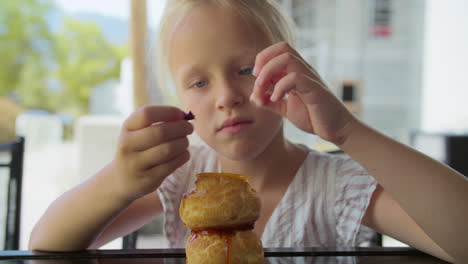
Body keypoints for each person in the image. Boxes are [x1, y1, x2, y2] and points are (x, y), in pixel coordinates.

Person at [29, 0, 467, 262]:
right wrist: (118, 182)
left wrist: (349, 132)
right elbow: (46, 244)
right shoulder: (181, 180)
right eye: (199, 82)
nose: (226, 96)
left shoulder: (334, 187)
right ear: (179, 98)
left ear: (289, 69)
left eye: (244, 69)